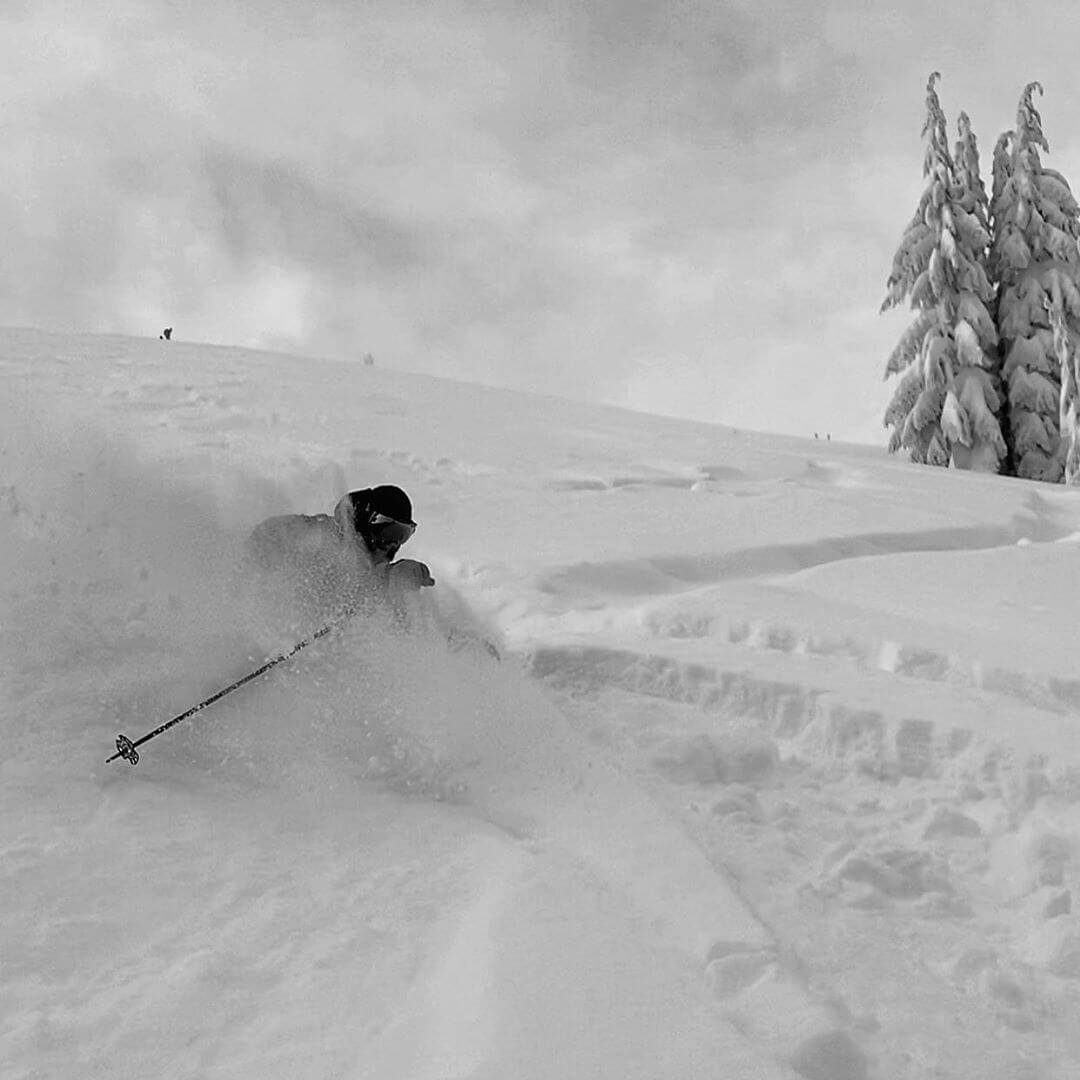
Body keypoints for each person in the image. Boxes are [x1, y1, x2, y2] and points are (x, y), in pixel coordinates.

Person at [246, 485, 435, 628]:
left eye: (404, 534)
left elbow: (367, 588)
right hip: (270, 622)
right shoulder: (324, 538)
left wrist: (405, 575)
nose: (395, 543)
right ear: (371, 523)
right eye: (391, 532)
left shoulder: (371, 562)